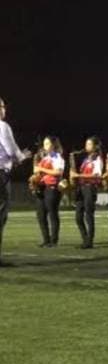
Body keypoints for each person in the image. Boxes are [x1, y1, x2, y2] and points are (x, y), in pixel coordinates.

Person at [0, 98, 32, 263]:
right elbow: (13, 153)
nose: (4, 110)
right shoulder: (2, 126)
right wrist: (23, 156)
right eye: (2, 106)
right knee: (1, 214)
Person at [32, 136, 65, 248]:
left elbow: (58, 172)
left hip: (52, 187)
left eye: (47, 143)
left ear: (53, 145)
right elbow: (37, 171)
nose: (44, 146)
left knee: (52, 213)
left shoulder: (57, 157)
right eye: (44, 143)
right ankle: (46, 240)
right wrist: (35, 177)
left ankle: (53, 240)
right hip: (41, 188)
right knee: (41, 215)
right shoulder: (44, 158)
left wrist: (41, 169)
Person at [72, 137, 103, 249]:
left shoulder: (97, 159)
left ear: (95, 146)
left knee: (89, 215)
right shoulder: (86, 159)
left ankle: (89, 241)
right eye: (86, 144)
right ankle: (85, 239)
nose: (86, 146)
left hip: (90, 188)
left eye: (89, 144)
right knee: (78, 217)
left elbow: (97, 175)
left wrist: (78, 176)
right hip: (81, 188)